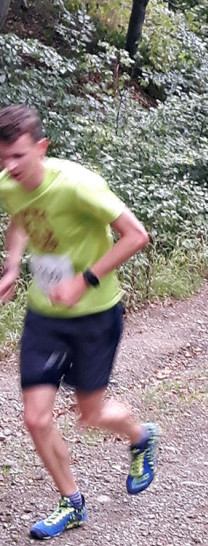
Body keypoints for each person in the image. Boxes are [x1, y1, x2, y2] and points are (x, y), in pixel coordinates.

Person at [0, 104, 159, 540]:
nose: (10, 167)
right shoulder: (9, 185)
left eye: (18, 156)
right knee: (36, 418)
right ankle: (72, 502)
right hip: (44, 317)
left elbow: (137, 235)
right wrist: (13, 266)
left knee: (91, 415)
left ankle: (140, 436)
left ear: (41, 147)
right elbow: (19, 219)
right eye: (3, 159)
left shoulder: (78, 186)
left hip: (94, 315)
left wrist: (83, 282)